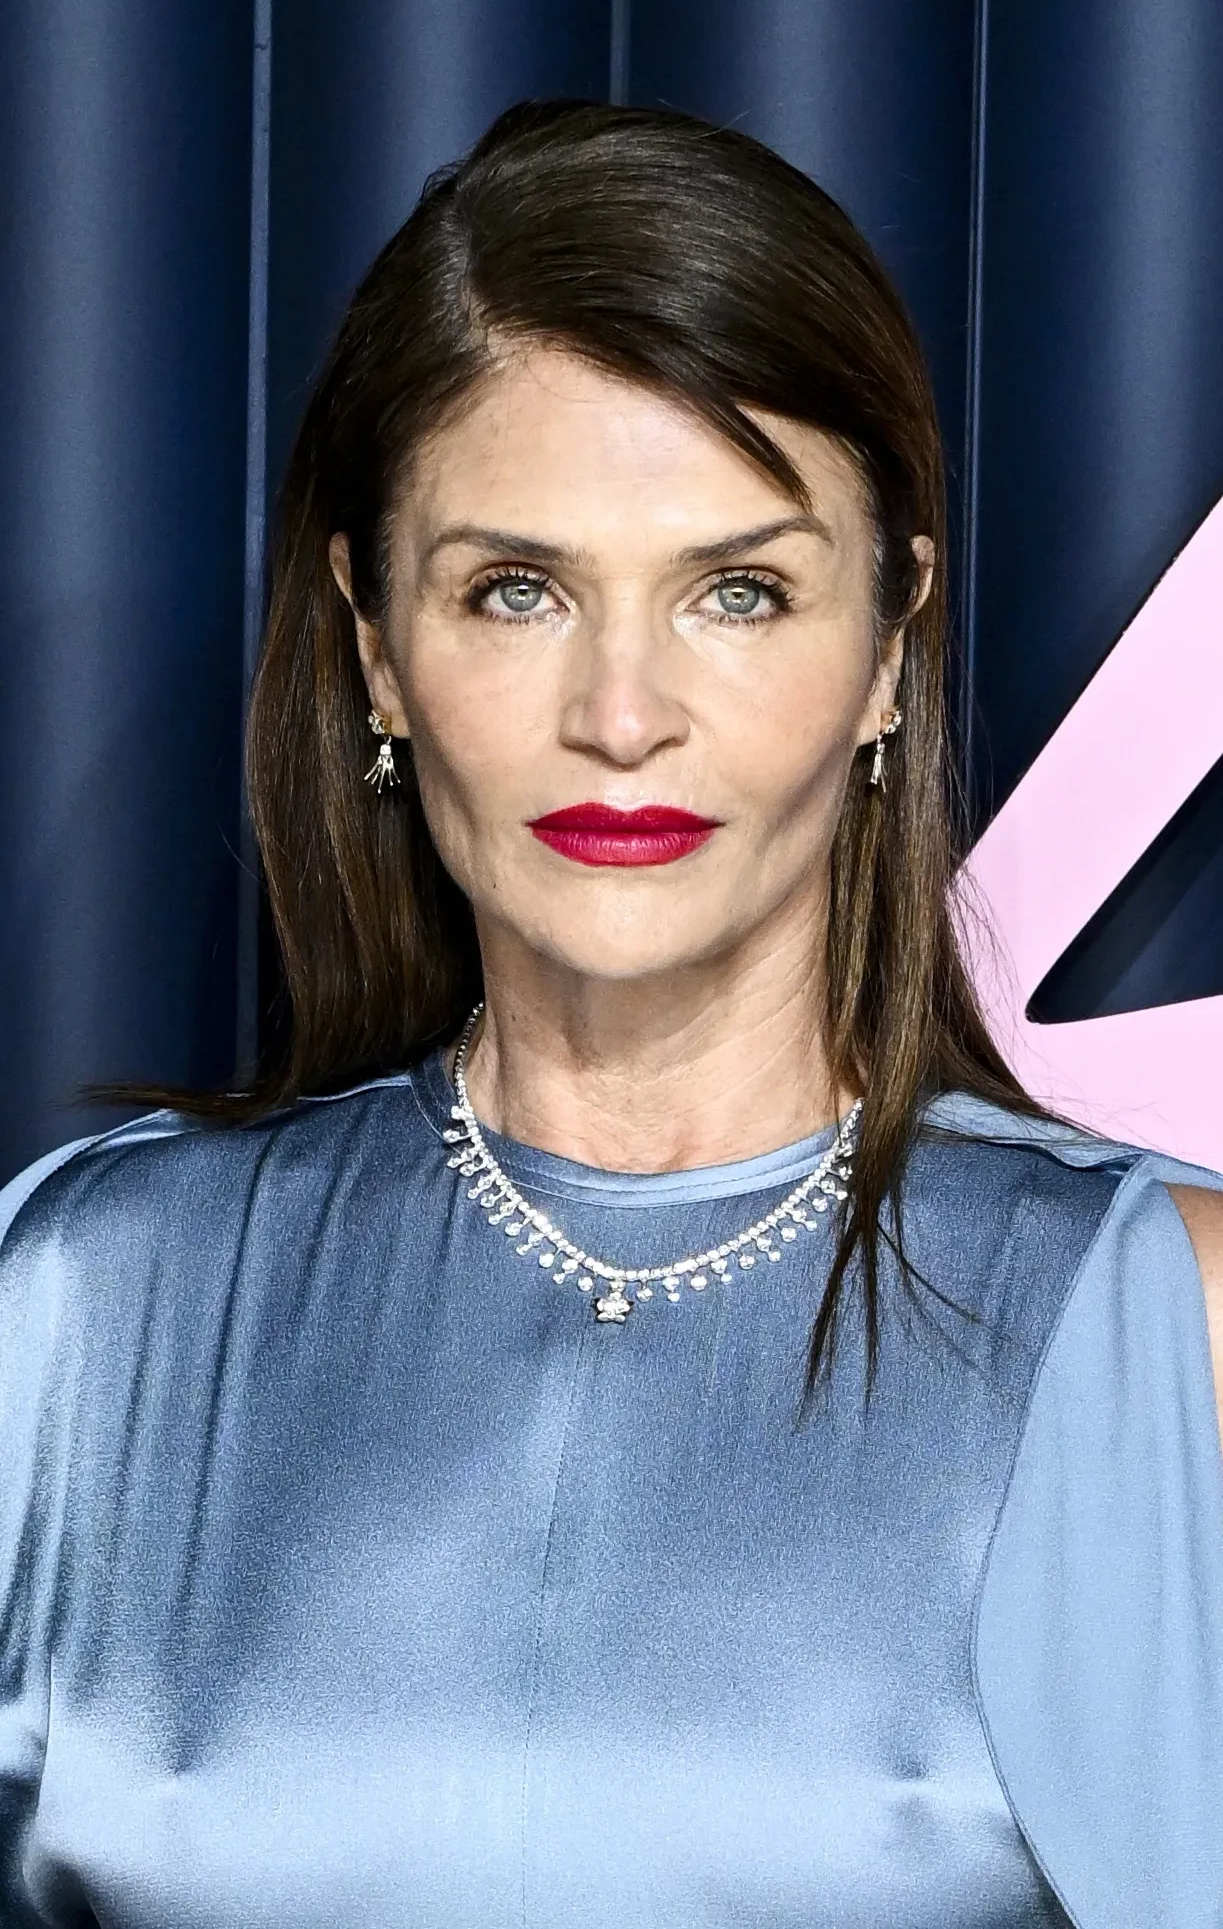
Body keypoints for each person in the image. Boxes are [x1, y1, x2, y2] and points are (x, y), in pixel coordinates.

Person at [1, 99, 1220, 1929]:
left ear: (887, 647)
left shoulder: (1166, 1327)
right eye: (516, 591)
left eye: (737, 591)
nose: (622, 714)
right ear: (375, 647)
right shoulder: (87, 1302)